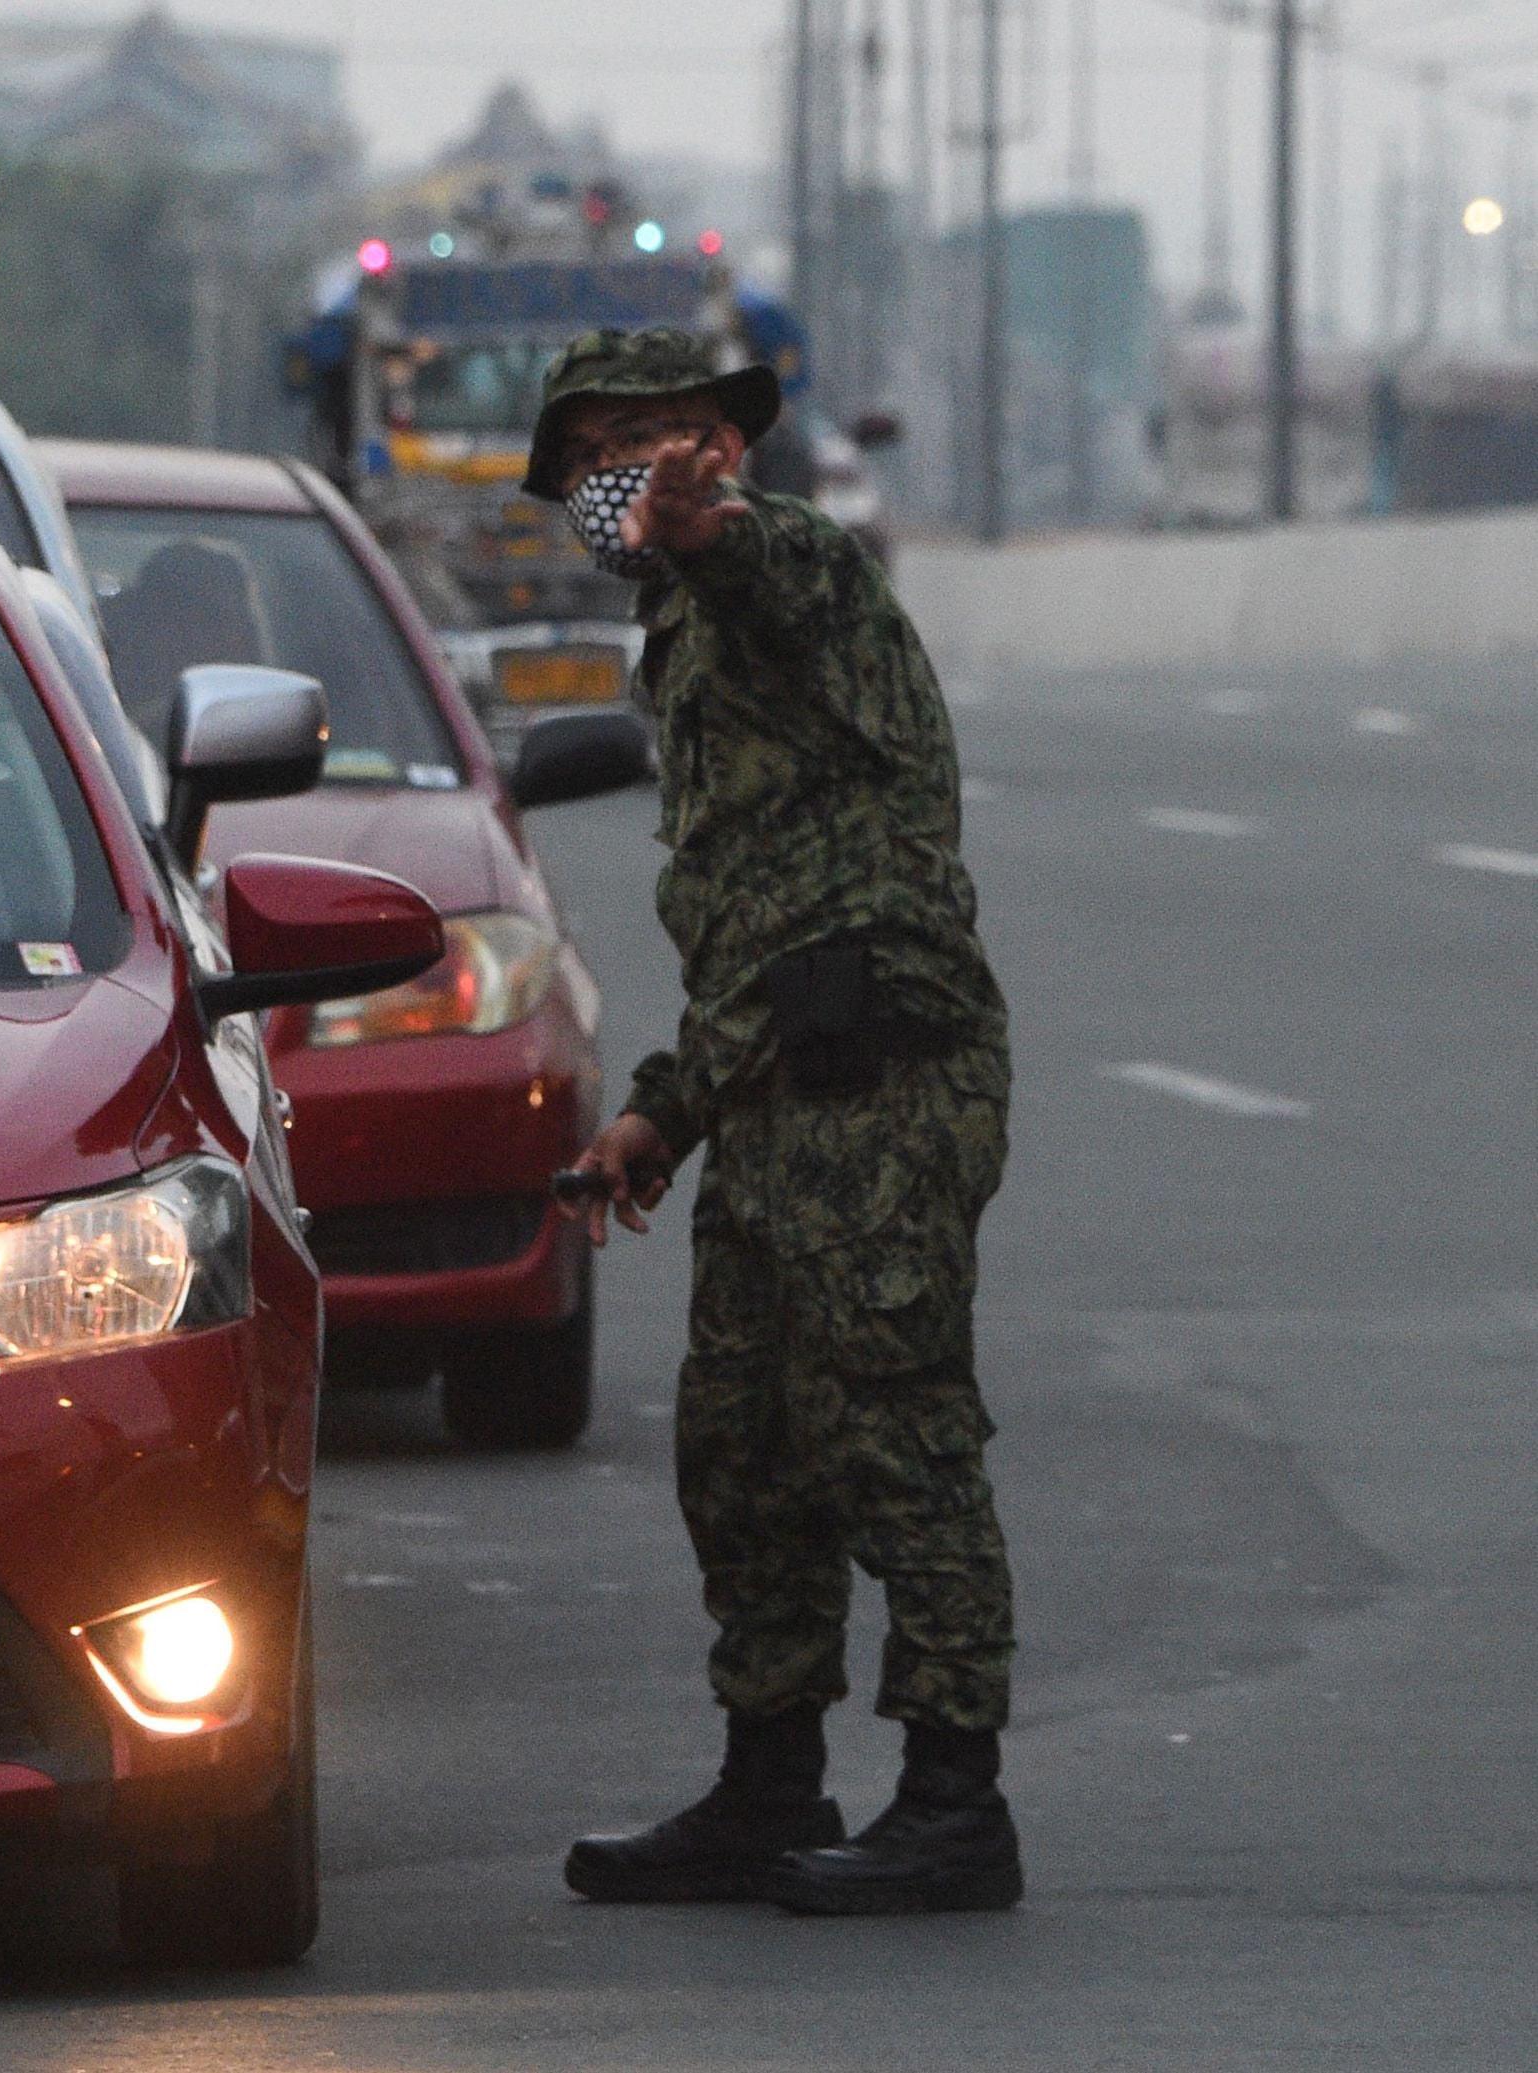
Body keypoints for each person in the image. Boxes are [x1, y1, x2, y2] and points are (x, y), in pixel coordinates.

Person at [531, 327, 1024, 1916]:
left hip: (881, 1073)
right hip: (773, 1083)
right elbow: (756, 923)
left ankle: (953, 1800)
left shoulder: (780, 564)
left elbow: (780, 574)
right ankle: (767, 1783)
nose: (612, 478)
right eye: (588, 455)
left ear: (719, 452)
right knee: (743, 1448)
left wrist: (713, 529)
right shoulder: (678, 638)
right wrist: (664, 1110)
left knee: (895, 1429)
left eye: (642, 444)